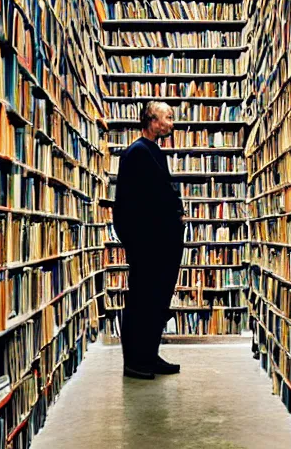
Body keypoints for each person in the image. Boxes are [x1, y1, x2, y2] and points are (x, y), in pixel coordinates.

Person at [113, 101, 185, 379]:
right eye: (168, 117)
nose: (172, 122)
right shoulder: (137, 153)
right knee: (142, 300)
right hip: (148, 245)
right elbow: (133, 204)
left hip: (160, 243)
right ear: (152, 121)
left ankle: (149, 355)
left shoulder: (152, 150)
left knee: (156, 301)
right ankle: (134, 362)